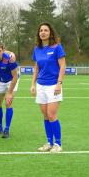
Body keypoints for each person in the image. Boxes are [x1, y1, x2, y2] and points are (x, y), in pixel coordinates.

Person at [30, 22, 66, 153]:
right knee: (45, 115)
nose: (43, 32)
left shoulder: (57, 47)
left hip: (53, 85)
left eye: (45, 30)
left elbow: (62, 66)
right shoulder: (37, 49)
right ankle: (49, 142)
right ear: (38, 34)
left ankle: (58, 144)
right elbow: (36, 67)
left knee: (52, 115)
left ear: (50, 32)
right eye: (41, 30)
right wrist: (33, 84)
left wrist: (59, 83)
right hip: (41, 85)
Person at [0, 42, 19, 138]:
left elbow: (15, 77)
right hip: (1, 80)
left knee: (8, 102)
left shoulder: (8, 59)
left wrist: (9, 93)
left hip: (12, 80)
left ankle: (7, 129)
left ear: (3, 50)